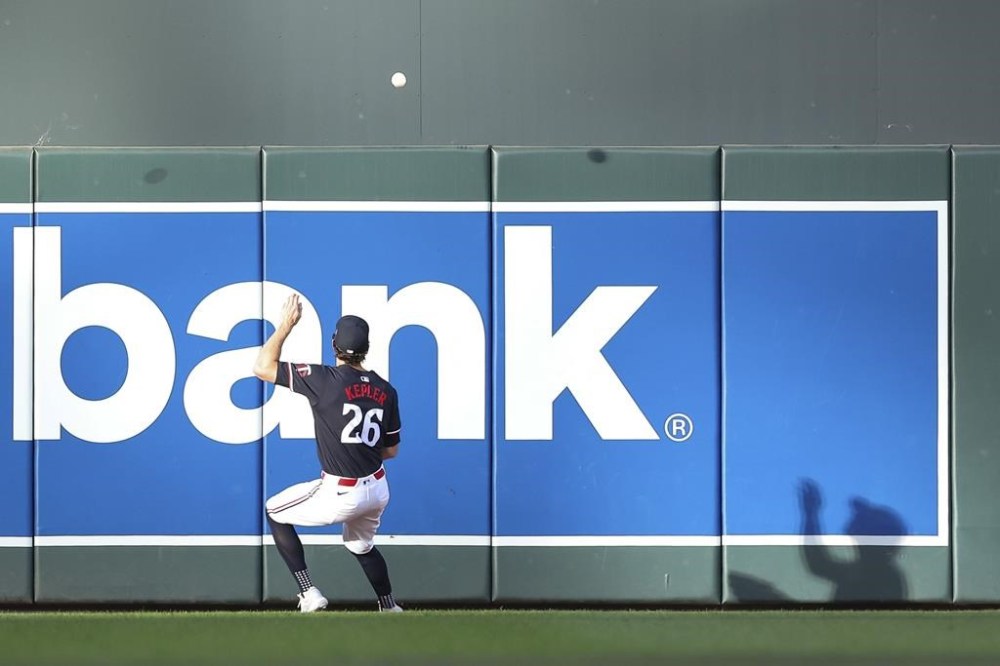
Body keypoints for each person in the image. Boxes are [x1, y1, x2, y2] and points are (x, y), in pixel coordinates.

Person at [253, 293, 403, 613]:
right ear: (366, 349)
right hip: (377, 487)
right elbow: (390, 449)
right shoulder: (386, 390)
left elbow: (263, 367)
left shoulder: (324, 379)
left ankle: (309, 593)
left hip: (340, 491)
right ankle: (389, 606)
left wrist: (286, 324)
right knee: (361, 545)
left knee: (274, 511)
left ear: (334, 344)